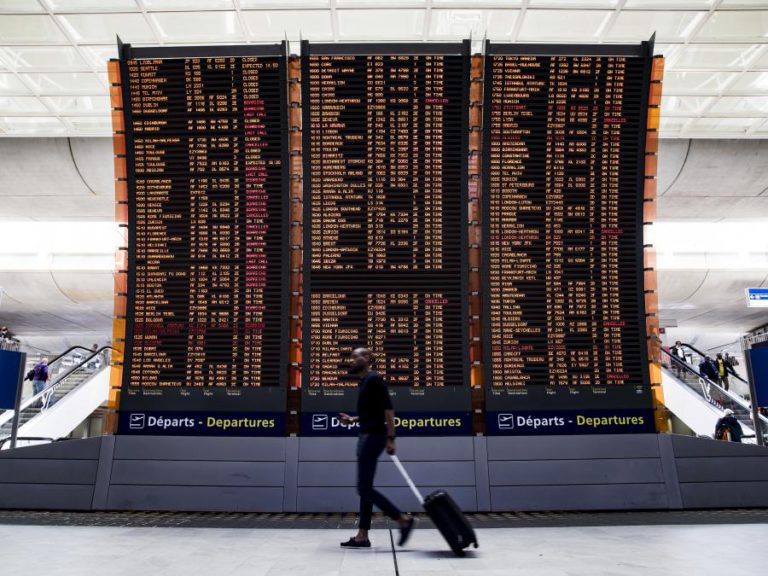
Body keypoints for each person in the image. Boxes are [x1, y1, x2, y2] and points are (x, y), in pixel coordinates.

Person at [338, 347, 415, 549]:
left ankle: (402, 520)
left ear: (367, 358)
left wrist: (391, 438)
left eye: (356, 356)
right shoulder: (365, 382)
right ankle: (362, 536)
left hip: (373, 437)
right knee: (366, 489)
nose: (352, 360)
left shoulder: (374, 379)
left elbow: (388, 409)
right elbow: (372, 412)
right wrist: (352, 419)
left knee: (364, 488)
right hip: (366, 435)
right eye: (351, 357)